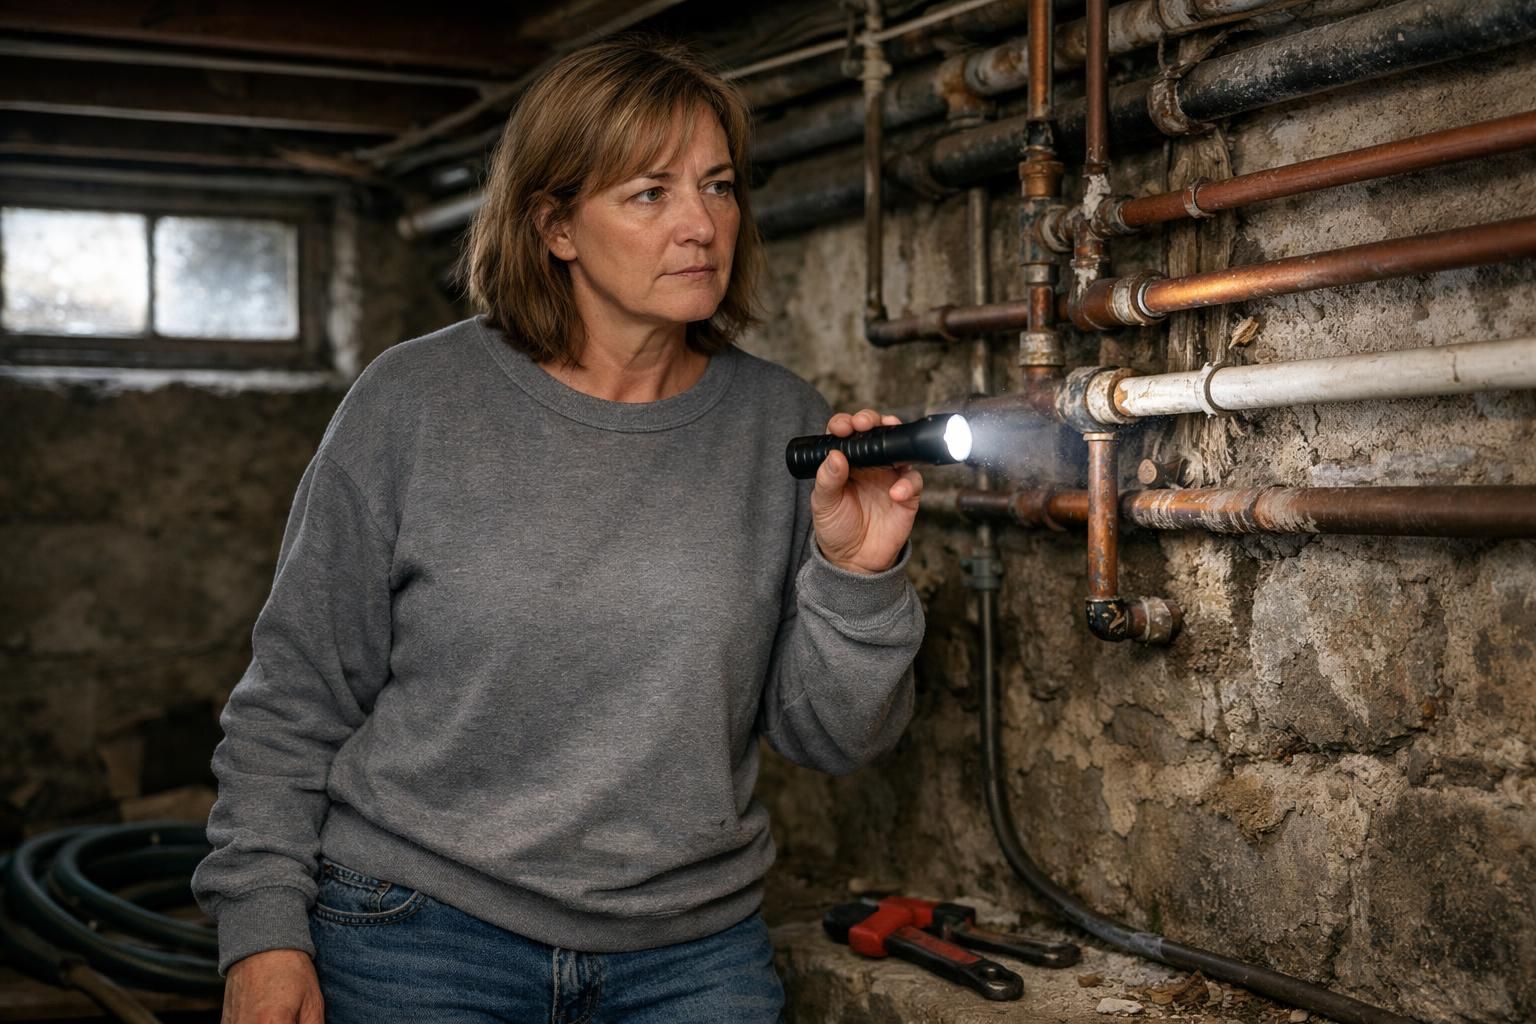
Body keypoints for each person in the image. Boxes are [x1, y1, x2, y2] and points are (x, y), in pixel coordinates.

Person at [193, 36, 925, 1023]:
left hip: (688, 951)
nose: (701, 224)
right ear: (556, 227)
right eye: (649, 193)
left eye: (718, 185)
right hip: (421, 930)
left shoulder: (778, 428)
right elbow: (292, 701)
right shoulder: (412, 404)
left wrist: (856, 572)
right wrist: (263, 932)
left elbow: (835, 739)